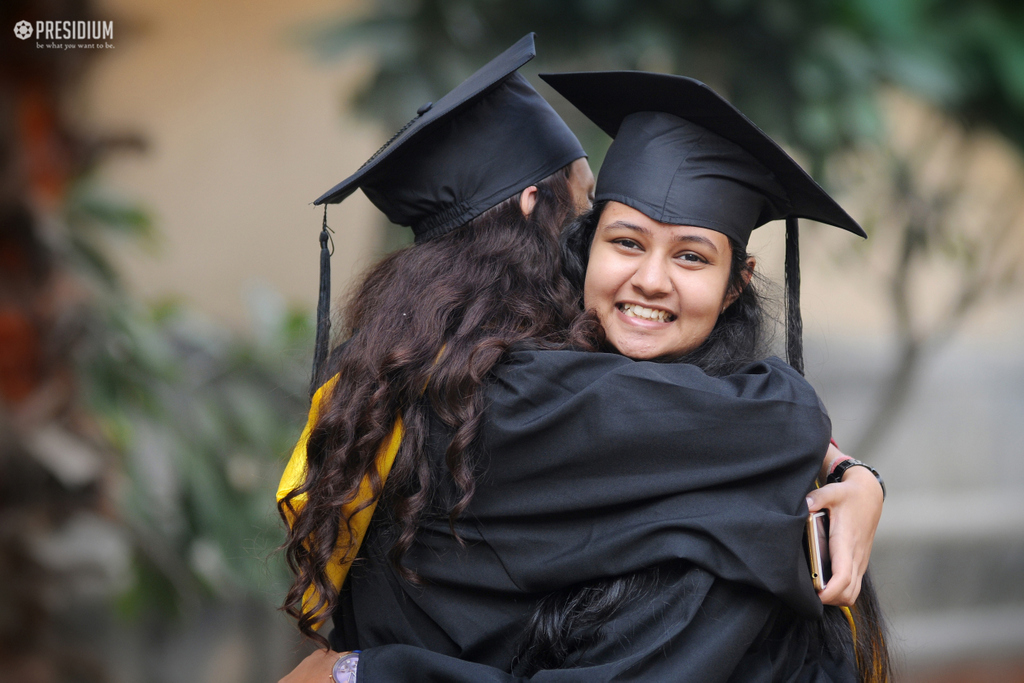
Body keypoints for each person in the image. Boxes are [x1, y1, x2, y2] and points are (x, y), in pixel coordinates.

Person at [278, 45, 886, 683]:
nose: (649, 279)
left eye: (691, 256)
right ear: (544, 213)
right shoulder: (543, 396)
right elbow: (770, 420)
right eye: (610, 225)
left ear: (736, 284)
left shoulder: (390, 381)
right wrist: (842, 464)